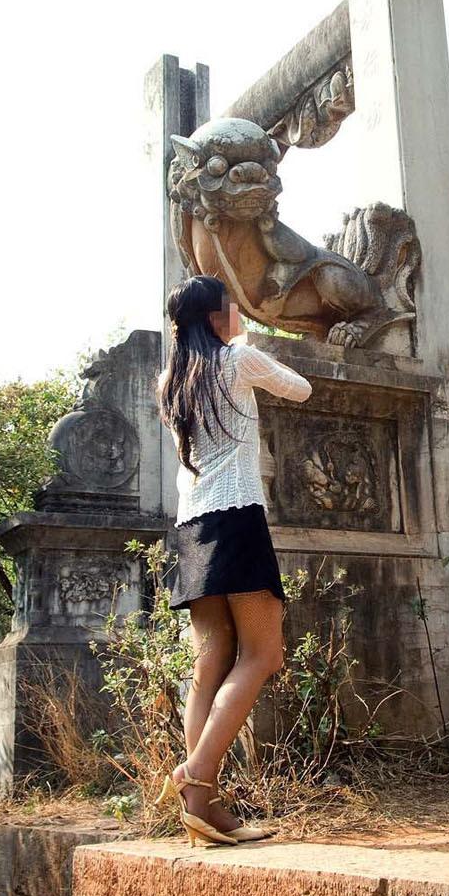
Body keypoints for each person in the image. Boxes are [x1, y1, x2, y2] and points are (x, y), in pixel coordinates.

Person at [152, 274, 312, 846]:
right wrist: (257, 345)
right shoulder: (238, 360)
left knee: (211, 661)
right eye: (232, 304)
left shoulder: (170, 379)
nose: (239, 310)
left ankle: (203, 808)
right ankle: (196, 775)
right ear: (217, 315)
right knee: (264, 654)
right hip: (238, 517)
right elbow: (302, 389)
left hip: (191, 525)